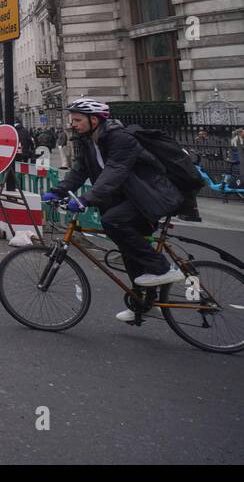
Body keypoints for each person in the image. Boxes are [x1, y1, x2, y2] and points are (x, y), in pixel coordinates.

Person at [42, 98, 186, 324]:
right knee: (130, 252)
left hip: (151, 196)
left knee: (112, 222)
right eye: (73, 120)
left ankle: (162, 268)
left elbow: (114, 172)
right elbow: (79, 172)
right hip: (130, 199)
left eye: (78, 120)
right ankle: (143, 305)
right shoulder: (90, 141)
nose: (73, 125)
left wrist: (86, 199)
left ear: (95, 119)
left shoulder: (121, 139)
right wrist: (57, 191)